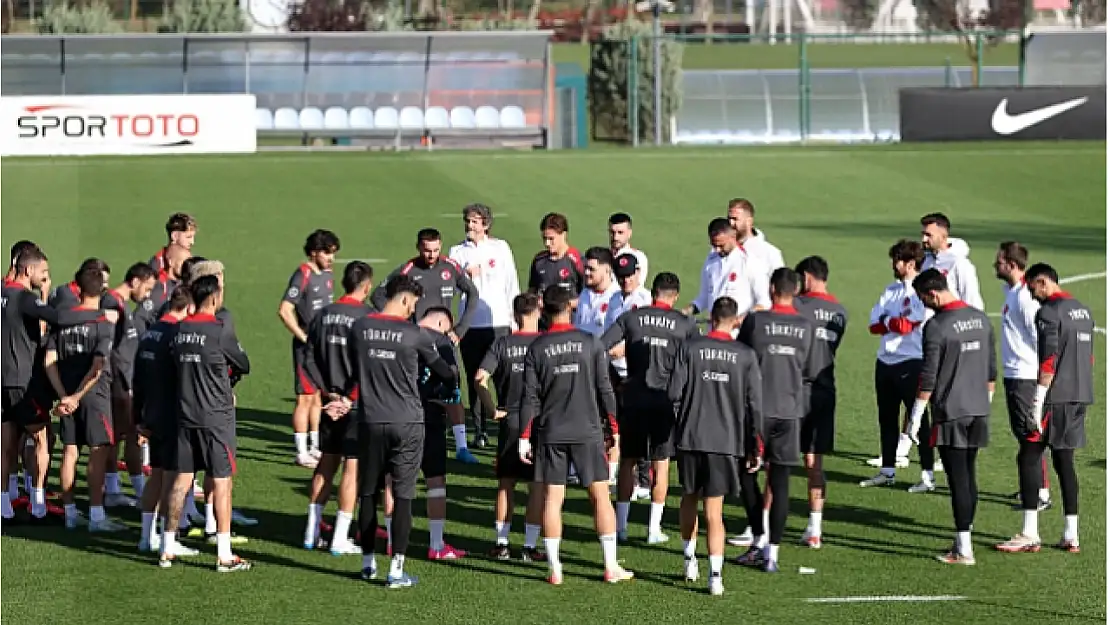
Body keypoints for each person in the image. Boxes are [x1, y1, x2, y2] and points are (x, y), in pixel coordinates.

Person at [323, 275, 456, 588]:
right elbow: (446, 374)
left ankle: (368, 563)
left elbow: (354, 372)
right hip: (408, 423)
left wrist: (345, 398)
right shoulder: (416, 334)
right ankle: (396, 570)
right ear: (408, 300)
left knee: (368, 493)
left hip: (370, 420)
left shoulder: (361, 328)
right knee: (403, 496)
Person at [518, 286, 632, 585]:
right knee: (600, 497)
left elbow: (530, 398)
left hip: (551, 432)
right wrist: (614, 430)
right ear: (571, 306)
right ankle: (610, 566)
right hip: (587, 431)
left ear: (543, 310)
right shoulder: (591, 342)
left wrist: (523, 437)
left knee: (553, 499)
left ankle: (555, 569)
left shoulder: (537, 348)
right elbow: (605, 389)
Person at [996, 263, 1094, 555]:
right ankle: (1071, 535)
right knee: (1065, 462)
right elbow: (1088, 358)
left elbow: (1048, 360)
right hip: (1079, 395)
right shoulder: (1082, 310)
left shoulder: (1049, 313)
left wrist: (1037, 401)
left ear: (1042, 282)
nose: (1031, 293)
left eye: (1031, 287)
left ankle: (1029, 532)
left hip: (1055, 397)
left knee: (1029, 454)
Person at [668, 296, 762, 595]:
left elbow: (673, 393)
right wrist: (755, 445)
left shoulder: (690, 348)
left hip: (690, 437)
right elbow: (754, 405)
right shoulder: (745, 355)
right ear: (736, 321)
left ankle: (688, 559)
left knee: (688, 497)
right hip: (725, 442)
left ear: (710, 318)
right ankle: (716, 577)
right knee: (714, 511)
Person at [160, 275, 251, 571]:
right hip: (216, 418)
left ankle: (167, 544)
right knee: (222, 483)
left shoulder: (179, 329)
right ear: (213, 297)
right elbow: (243, 364)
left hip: (186, 414)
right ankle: (224, 555)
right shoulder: (219, 331)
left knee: (181, 480)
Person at [906, 268, 995, 565]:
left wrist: (915, 416)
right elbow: (991, 371)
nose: (923, 304)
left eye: (922, 299)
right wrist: (983, 402)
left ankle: (963, 549)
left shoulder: (936, 326)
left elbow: (928, 377)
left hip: (951, 412)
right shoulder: (981, 318)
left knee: (958, 479)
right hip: (978, 409)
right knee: (969, 475)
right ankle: (964, 537)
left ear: (932, 293)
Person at [601, 271, 697, 544]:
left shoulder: (632, 317)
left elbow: (600, 346)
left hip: (633, 398)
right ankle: (653, 529)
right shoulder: (685, 324)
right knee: (661, 465)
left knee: (628, 462)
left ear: (653, 293)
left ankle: (620, 527)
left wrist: (611, 382)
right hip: (665, 402)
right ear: (675, 296)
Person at [372, 228, 480, 463]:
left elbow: (473, 294)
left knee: (453, 387)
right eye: (427, 250)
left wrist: (460, 330)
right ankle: (412, 439)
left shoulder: (450, 267)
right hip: (415, 339)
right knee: (415, 387)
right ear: (418, 247)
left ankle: (461, 447)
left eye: (435, 250)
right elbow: (378, 295)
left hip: (444, 341)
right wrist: (400, 322)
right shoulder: (408, 269)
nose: (431, 255)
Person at [735, 267, 815, 573]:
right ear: (795, 291)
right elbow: (808, 370)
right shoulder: (806, 326)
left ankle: (758, 537)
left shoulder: (756, 321)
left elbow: (741, 357)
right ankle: (773, 554)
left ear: (771, 290)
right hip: (790, 412)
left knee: (746, 475)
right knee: (780, 484)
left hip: (757, 411)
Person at [302, 261, 374, 555]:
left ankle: (310, 532)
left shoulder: (323, 315)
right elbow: (367, 366)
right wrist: (347, 399)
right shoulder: (369, 317)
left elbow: (306, 359)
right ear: (367, 286)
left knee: (326, 464)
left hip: (329, 402)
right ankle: (340, 537)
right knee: (352, 469)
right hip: (355, 405)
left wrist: (326, 393)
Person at [43, 266, 121, 532]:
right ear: (100, 289)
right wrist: (77, 395)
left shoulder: (62, 319)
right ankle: (97, 517)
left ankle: (70, 514)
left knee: (70, 451)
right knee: (98, 452)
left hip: (67, 395)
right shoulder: (102, 323)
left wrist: (64, 396)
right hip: (94, 396)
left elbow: (49, 361)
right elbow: (98, 366)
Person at [475, 291, 546, 562]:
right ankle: (529, 547)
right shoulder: (545, 343)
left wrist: (492, 409)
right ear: (537, 312)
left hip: (510, 420)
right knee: (536, 486)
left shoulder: (502, 344)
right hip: (537, 421)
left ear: (515, 316)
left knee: (506, 484)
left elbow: (479, 378)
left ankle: (502, 543)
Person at [860, 240, 935, 491]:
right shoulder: (890, 290)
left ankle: (927, 475)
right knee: (887, 419)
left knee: (919, 422)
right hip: (885, 362)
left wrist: (888, 321)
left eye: (897, 260)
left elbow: (907, 325)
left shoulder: (921, 292)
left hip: (912, 362)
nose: (894, 264)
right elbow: (873, 325)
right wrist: (893, 322)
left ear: (910, 264)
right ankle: (888, 470)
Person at [134, 287, 199, 562]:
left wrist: (139, 419)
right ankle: (168, 542)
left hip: (151, 415)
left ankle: (146, 537)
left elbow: (137, 380)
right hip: (173, 417)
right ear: (189, 308)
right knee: (175, 480)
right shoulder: (177, 336)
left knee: (157, 476)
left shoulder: (149, 333)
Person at [449, 204, 520, 450]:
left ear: (486, 225)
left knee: (503, 377)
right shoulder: (457, 252)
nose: (470, 226)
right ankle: (479, 430)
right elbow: (453, 289)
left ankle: (505, 425)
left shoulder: (500, 248)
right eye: (468, 221)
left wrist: (515, 320)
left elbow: (512, 283)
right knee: (475, 378)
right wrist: (465, 276)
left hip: (499, 323)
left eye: (475, 221)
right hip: (471, 326)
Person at [793, 256, 849, 548]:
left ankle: (760, 529)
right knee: (814, 462)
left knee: (775, 460)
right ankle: (815, 529)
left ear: (806, 276)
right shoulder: (840, 311)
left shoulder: (798, 306)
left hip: (794, 389)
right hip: (825, 391)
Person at [1, 244, 60, 520]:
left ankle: (4, 503)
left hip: (2, 378)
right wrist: (46, 296)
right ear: (29, 270)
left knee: (6, 443)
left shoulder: (2, 292)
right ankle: (38, 503)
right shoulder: (24, 297)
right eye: (43, 271)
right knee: (42, 436)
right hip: (21, 381)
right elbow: (55, 318)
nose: (45, 276)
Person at [992, 242, 1052, 512]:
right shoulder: (1014, 292)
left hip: (1025, 376)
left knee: (1031, 435)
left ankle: (1039, 493)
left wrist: (1040, 378)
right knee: (1025, 435)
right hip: (1017, 375)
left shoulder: (1024, 299)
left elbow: (1040, 337)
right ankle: (1034, 486)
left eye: (999, 262)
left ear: (1012, 266)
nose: (995, 266)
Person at [278, 229, 339, 469]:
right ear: (313, 252)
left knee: (317, 397)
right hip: (307, 348)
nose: (330, 258)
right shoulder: (302, 274)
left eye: (333, 253)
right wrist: (302, 336)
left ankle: (315, 446)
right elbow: (284, 309)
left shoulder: (328, 275)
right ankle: (301, 451)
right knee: (304, 398)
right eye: (326, 252)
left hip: (323, 346)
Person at [103, 263, 158, 506]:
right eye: (147, 288)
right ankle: (129, 490)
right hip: (120, 383)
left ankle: (122, 489)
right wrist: (124, 383)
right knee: (126, 436)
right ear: (135, 281)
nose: (147, 296)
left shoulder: (122, 305)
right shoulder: (113, 305)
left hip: (127, 381)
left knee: (122, 435)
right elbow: (108, 349)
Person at [684, 218, 770, 322]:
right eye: (714, 245)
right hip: (714, 332)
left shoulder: (749, 262)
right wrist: (685, 312)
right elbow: (704, 297)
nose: (717, 250)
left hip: (738, 333)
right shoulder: (710, 261)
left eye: (721, 245)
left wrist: (735, 321)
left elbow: (764, 303)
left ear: (733, 236)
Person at [920, 213, 984, 310]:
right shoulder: (926, 262)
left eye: (929, 235)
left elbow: (973, 302)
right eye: (923, 234)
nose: (924, 239)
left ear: (943, 236)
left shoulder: (960, 263)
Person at [528, 212, 584, 300]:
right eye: (544, 238)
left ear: (564, 235)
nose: (547, 243)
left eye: (551, 239)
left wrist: (563, 305)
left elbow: (587, 296)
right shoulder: (539, 260)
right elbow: (532, 291)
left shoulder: (577, 260)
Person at [725, 199, 785, 277]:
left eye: (735, 219)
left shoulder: (770, 254)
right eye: (729, 218)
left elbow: (780, 285)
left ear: (749, 221)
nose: (731, 223)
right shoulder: (720, 250)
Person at [574, 247, 619, 338]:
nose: (586, 272)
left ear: (607, 269)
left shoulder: (617, 297)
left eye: (591, 269)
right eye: (585, 268)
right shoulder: (585, 293)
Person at [607, 213, 649, 284]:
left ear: (629, 233)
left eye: (620, 232)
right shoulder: (602, 256)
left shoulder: (638, 257)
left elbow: (636, 286)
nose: (615, 237)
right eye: (612, 232)